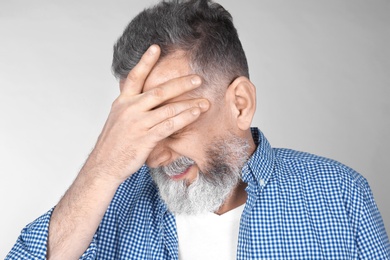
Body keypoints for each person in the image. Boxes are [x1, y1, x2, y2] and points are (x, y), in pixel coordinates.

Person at [6, 0, 390, 259]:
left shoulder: (341, 195)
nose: (152, 156)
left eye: (169, 123)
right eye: (142, 127)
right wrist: (103, 167)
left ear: (240, 104)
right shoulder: (105, 207)